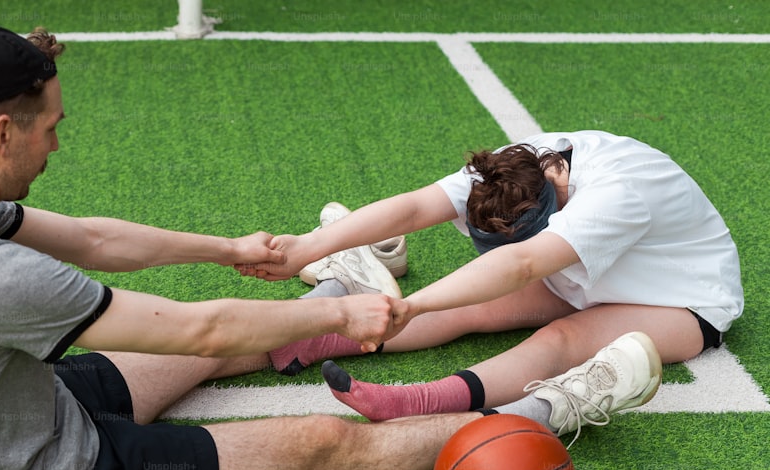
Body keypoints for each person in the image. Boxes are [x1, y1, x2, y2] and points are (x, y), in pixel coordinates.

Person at [0, 25, 660, 470]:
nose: (58, 141)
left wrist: (228, 246)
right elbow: (194, 330)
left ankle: (334, 291)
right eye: (51, 125)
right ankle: (554, 405)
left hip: (16, 407)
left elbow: (92, 238)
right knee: (320, 440)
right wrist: (347, 314)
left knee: (210, 359)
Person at [240, 131, 743, 428]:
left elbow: (520, 266)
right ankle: (308, 341)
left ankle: (417, 402)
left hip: (683, 301)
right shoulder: (507, 170)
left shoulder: (616, 195)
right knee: (466, 306)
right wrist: (309, 246)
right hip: (593, 274)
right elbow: (417, 205)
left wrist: (410, 307)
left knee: (562, 339)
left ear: (556, 203)